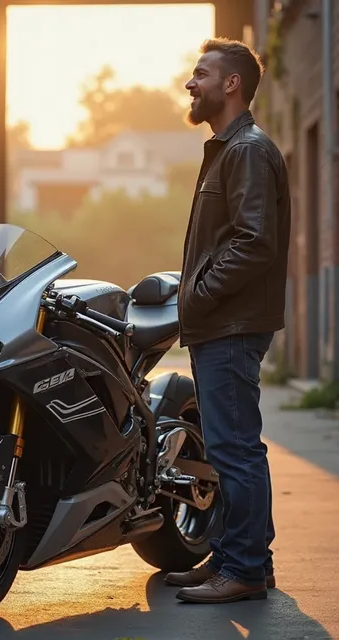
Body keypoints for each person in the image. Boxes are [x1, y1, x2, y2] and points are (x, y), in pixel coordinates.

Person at [166, 38, 291, 603]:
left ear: (232, 83)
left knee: (234, 449)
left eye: (201, 74)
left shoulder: (245, 151)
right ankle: (242, 560)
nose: (191, 84)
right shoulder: (228, 148)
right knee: (230, 447)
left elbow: (254, 242)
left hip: (231, 324)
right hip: (224, 322)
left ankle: (241, 571)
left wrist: (202, 297)